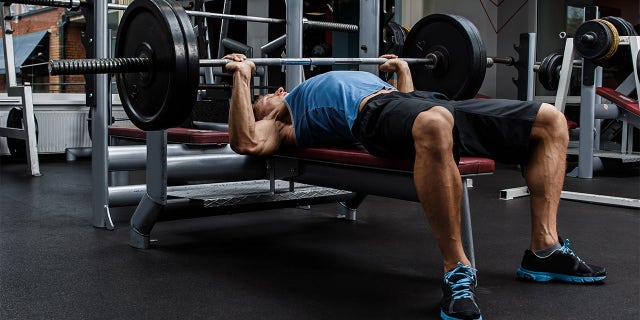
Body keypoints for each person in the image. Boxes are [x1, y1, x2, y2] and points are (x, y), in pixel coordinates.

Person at [223, 53, 606, 320]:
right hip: (371, 117)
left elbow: (406, 105)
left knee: (551, 121)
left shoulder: (303, 92)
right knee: (434, 124)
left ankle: (544, 249)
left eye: (269, 91)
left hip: (415, 101)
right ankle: (457, 269)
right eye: (262, 98)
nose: (271, 93)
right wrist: (242, 79)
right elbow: (246, 142)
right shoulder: (282, 121)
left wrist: (402, 70)